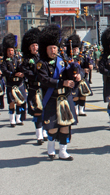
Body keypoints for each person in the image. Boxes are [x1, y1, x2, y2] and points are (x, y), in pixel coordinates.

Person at [37, 24, 80, 161]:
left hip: (65, 98)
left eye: (55, 47)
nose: (53, 50)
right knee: (52, 127)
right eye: (50, 48)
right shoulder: (41, 63)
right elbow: (44, 80)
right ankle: (50, 148)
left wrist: (76, 74)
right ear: (46, 49)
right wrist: (62, 83)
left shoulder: (63, 62)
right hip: (51, 98)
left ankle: (63, 151)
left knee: (65, 126)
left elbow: (71, 76)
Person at [20, 28, 48, 145]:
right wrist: (37, 76)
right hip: (33, 88)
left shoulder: (42, 57)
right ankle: (39, 135)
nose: (35, 48)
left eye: (36, 45)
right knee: (37, 111)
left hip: (44, 88)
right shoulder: (26, 60)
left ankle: (45, 131)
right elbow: (26, 72)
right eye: (32, 45)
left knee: (45, 110)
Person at [1, 34, 26, 127]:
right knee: (12, 102)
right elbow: (5, 71)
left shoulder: (18, 59)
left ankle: (18, 119)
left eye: (12, 50)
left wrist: (22, 71)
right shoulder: (4, 62)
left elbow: (21, 68)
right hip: (11, 84)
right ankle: (12, 120)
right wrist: (14, 74)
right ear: (6, 51)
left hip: (19, 83)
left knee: (19, 101)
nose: (11, 52)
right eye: (9, 51)